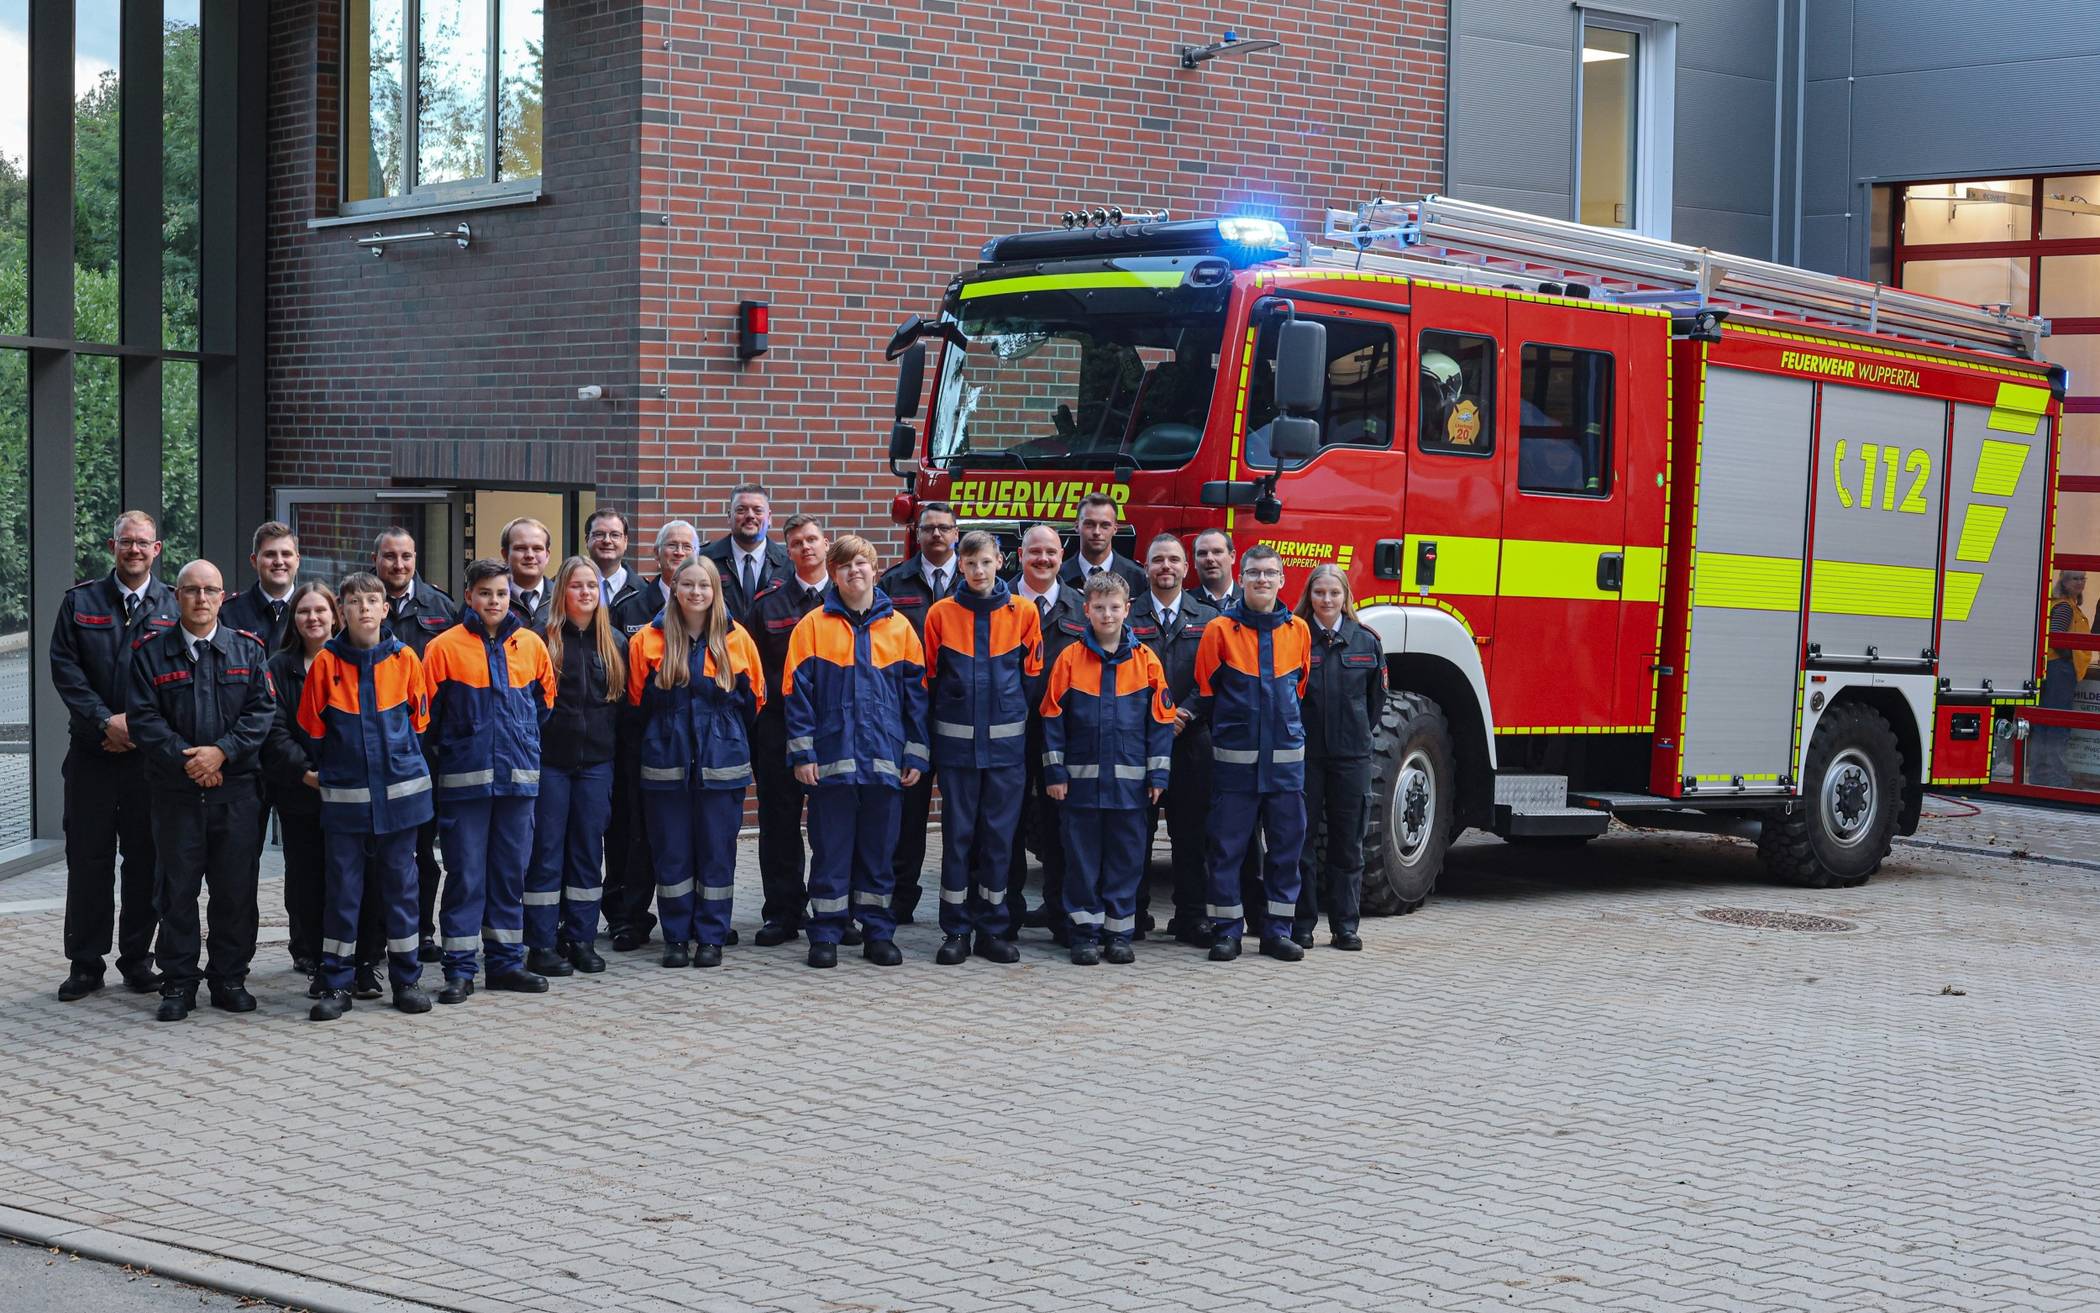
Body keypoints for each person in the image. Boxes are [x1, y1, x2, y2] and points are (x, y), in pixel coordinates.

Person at [124, 559, 276, 1021]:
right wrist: (191, 759)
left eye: (211, 590)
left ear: (223, 596)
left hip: (235, 794)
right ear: (177, 596)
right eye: (192, 590)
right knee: (176, 892)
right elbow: (143, 719)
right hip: (176, 795)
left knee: (235, 892)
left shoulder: (247, 651)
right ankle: (179, 983)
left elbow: (261, 713)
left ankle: (229, 978)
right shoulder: (151, 653)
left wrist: (221, 753)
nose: (202, 599)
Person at [50, 509, 179, 1002]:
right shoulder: (80, 602)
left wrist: (138, 731)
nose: (134, 550)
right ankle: (85, 964)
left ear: (157, 549)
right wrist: (107, 721)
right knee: (88, 860)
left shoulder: (173, 604)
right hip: (92, 756)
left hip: (147, 761)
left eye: (143, 543)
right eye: (126, 542)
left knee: (146, 859)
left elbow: (176, 682)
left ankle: (137, 959)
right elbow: (66, 670)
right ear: (112, 547)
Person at [783, 534, 929, 969]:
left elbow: (916, 697)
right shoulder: (812, 626)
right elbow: (796, 696)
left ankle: (877, 933)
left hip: (885, 761)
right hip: (831, 764)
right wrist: (803, 754)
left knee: (879, 851)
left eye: (860, 563)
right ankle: (825, 933)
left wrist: (916, 755)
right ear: (834, 574)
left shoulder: (900, 628)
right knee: (830, 850)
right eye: (843, 566)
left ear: (874, 569)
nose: (853, 572)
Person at [296, 572, 436, 1021]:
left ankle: (407, 980)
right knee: (343, 893)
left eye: (372, 601)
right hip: (346, 800)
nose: (364, 609)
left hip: (401, 798)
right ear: (342, 610)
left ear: (385, 608)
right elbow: (312, 729)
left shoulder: (406, 659)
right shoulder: (324, 665)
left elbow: (419, 723)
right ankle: (336, 984)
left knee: (402, 891)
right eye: (354, 602)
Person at [421, 558, 558, 1003]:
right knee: (465, 877)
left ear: (510, 595)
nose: (494, 601)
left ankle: (504, 964)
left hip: (518, 784)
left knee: (509, 875)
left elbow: (544, 707)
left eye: (501, 593)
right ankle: (459, 971)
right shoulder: (443, 648)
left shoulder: (532, 645)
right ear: (469, 597)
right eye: (485, 593)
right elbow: (429, 719)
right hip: (465, 785)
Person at [628, 556, 764, 968]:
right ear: (674, 588)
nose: (695, 593)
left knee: (717, 854)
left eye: (703, 586)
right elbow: (635, 704)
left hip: (721, 765)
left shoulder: (737, 640)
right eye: (687, 584)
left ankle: (711, 936)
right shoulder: (647, 641)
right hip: (665, 766)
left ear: (715, 591)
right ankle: (676, 937)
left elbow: (754, 700)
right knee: (672, 855)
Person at [1040, 572, 1174, 965]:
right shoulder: (1069, 659)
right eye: (1099, 607)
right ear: (1086, 610)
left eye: (1114, 606)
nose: (1107, 613)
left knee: (1126, 861)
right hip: (1079, 790)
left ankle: (1119, 936)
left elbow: (1161, 722)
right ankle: (1083, 935)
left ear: (1127, 609)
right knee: (1080, 862)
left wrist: (1158, 776)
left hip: (1131, 791)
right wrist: (1055, 774)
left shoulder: (1146, 660)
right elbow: (1051, 719)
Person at [921, 530, 1039, 964]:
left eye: (986, 562)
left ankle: (993, 929)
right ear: (960, 564)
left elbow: (1031, 680)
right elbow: (929, 681)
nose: (978, 570)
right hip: (956, 754)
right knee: (958, 841)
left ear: (1000, 561)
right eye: (969, 563)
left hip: (1006, 754)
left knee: (998, 844)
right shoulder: (940, 614)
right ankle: (955, 931)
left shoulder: (1023, 613)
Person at [1190, 543, 1311, 963]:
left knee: (1286, 851)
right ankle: (1227, 932)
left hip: (1284, 770)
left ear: (1282, 580)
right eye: (1254, 573)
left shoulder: (1299, 631)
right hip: (1235, 768)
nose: (1262, 579)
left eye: (1270, 573)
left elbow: (1298, 690)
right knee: (1226, 851)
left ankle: (1278, 932)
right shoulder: (1219, 630)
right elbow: (1207, 690)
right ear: (1241, 578)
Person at [263, 582, 387, 992]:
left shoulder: (355, 659)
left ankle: (366, 959)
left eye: (320, 611)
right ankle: (316, 957)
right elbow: (275, 728)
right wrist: (306, 771)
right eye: (303, 612)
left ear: (336, 615)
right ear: (293, 620)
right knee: (309, 877)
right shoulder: (278, 667)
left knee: (363, 879)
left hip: (355, 793)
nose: (312, 618)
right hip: (303, 792)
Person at [527, 557, 624, 977]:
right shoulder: (539, 641)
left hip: (597, 764)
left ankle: (581, 938)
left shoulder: (616, 642)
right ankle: (542, 943)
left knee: (587, 852)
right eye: (576, 586)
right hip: (551, 764)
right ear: (560, 592)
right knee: (546, 852)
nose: (586, 593)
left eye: (592, 586)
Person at [608, 518, 700, 950]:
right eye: (671, 546)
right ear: (657, 553)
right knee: (635, 833)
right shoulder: (629, 608)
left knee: (692, 834)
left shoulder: (712, 608)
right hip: (640, 741)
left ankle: (697, 919)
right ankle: (629, 918)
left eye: (687, 546)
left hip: (696, 745)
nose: (678, 552)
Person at [745, 513, 835, 946]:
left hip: (835, 728)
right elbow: (752, 671)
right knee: (778, 824)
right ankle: (782, 912)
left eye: (812, 539)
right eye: (796, 542)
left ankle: (835, 909)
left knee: (834, 824)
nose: (806, 548)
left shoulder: (846, 597)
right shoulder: (769, 604)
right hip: (779, 729)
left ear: (826, 543)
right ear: (787, 551)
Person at [1127, 532, 1219, 946]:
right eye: (1158, 560)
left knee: (1191, 834)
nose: (1166, 567)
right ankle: (1133, 912)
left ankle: (1191, 916)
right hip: (1140, 741)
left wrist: (1184, 713)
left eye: (1174, 560)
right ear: (1146, 568)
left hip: (1191, 741)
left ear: (1186, 568)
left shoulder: (1208, 617)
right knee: (1136, 832)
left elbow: (1216, 677)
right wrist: (1154, 718)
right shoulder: (1129, 616)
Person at [373, 526, 458, 961]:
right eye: (390, 557)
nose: (399, 565)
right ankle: (377, 933)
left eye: (406, 557)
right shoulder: (362, 603)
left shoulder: (441, 607)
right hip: (374, 751)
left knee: (423, 852)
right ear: (377, 560)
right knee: (378, 851)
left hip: (426, 753)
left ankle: (423, 931)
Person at [1291, 564, 1384, 952]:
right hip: (1306, 756)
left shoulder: (1366, 641)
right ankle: (1302, 926)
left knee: (1348, 845)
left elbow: (1375, 702)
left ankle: (1345, 925)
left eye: (1333, 593)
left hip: (1351, 758)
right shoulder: (1294, 637)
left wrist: (1355, 736)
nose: (1326, 600)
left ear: (1346, 597)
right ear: (1308, 596)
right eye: (1319, 593)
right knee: (1301, 843)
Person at [876, 499, 960, 924]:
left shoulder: (976, 578)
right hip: (911, 715)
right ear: (918, 534)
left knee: (962, 814)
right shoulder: (894, 583)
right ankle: (900, 898)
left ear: (956, 534)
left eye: (945, 528)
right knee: (908, 812)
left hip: (963, 716)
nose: (937, 535)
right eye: (929, 528)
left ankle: (961, 902)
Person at [1006, 523, 1086, 939]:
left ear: (1062, 555)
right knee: (1009, 824)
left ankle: (1060, 911)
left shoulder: (1080, 605)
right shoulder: (999, 601)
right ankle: (1008, 911)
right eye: (1035, 551)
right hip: (1009, 733)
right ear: (1020, 555)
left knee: (1060, 827)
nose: (1043, 559)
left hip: (1062, 734)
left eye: (1051, 552)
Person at [2033, 569, 2091, 787]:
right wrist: (2069, 660)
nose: (2080, 582)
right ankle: (2055, 778)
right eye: (2075, 578)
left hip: (2054, 668)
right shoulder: (2065, 607)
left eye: (2083, 578)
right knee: (2057, 725)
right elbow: (2056, 636)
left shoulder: (2065, 604)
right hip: (2059, 669)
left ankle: (2041, 775)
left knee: (2045, 724)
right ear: (2064, 581)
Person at [701, 483, 788, 618]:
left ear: (769, 517)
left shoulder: (789, 561)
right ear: (729, 516)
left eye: (758, 510)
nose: (750, 516)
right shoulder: (705, 560)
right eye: (741, 510)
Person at [219, 521, 301, 654]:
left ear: (297, 560)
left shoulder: (312, 612)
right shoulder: (228, 613)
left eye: (286, 554)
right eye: (270, 554)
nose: (279, 561)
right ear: (253, 561)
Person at [1057, 492, 1149, 596]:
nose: (1097, 532)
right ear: (1077, 526)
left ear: (1115, 528)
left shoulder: (1138, 578)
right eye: (1090, 524)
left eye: (1105, 525)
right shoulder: (1058, 577)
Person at [504, 516, 555, 629]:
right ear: (505, 554)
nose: (530, 555)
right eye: (521, 548)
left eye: (537, 548)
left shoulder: (562, 599)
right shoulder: (488, 600)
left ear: (547, 555)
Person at [587, 508, 640, 612]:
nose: (607, 540)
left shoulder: (643, 591)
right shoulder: (562, 587)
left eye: (615, 535)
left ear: (625, 541)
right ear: (587, 540)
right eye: (599, 534)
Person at [1189, 528, 1241, 609]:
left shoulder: (1250, 601)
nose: (1210, 558)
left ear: (1232, 557)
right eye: (1202, 553)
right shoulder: (1185, 603)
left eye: (1217, 552)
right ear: (1195, 561)